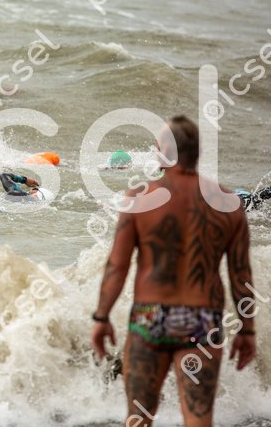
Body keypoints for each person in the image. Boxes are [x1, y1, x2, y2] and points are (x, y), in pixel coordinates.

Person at [90, 115, 255, 427]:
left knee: (138, 418)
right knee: (198, 417)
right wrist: (247, 330)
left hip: (150, 316)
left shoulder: (139, 198)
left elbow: (117, 265)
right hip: (203, 319)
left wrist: (101, 317)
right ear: (197, 152)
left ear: (164, 151)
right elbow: (240, 274)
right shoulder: (229, 204)